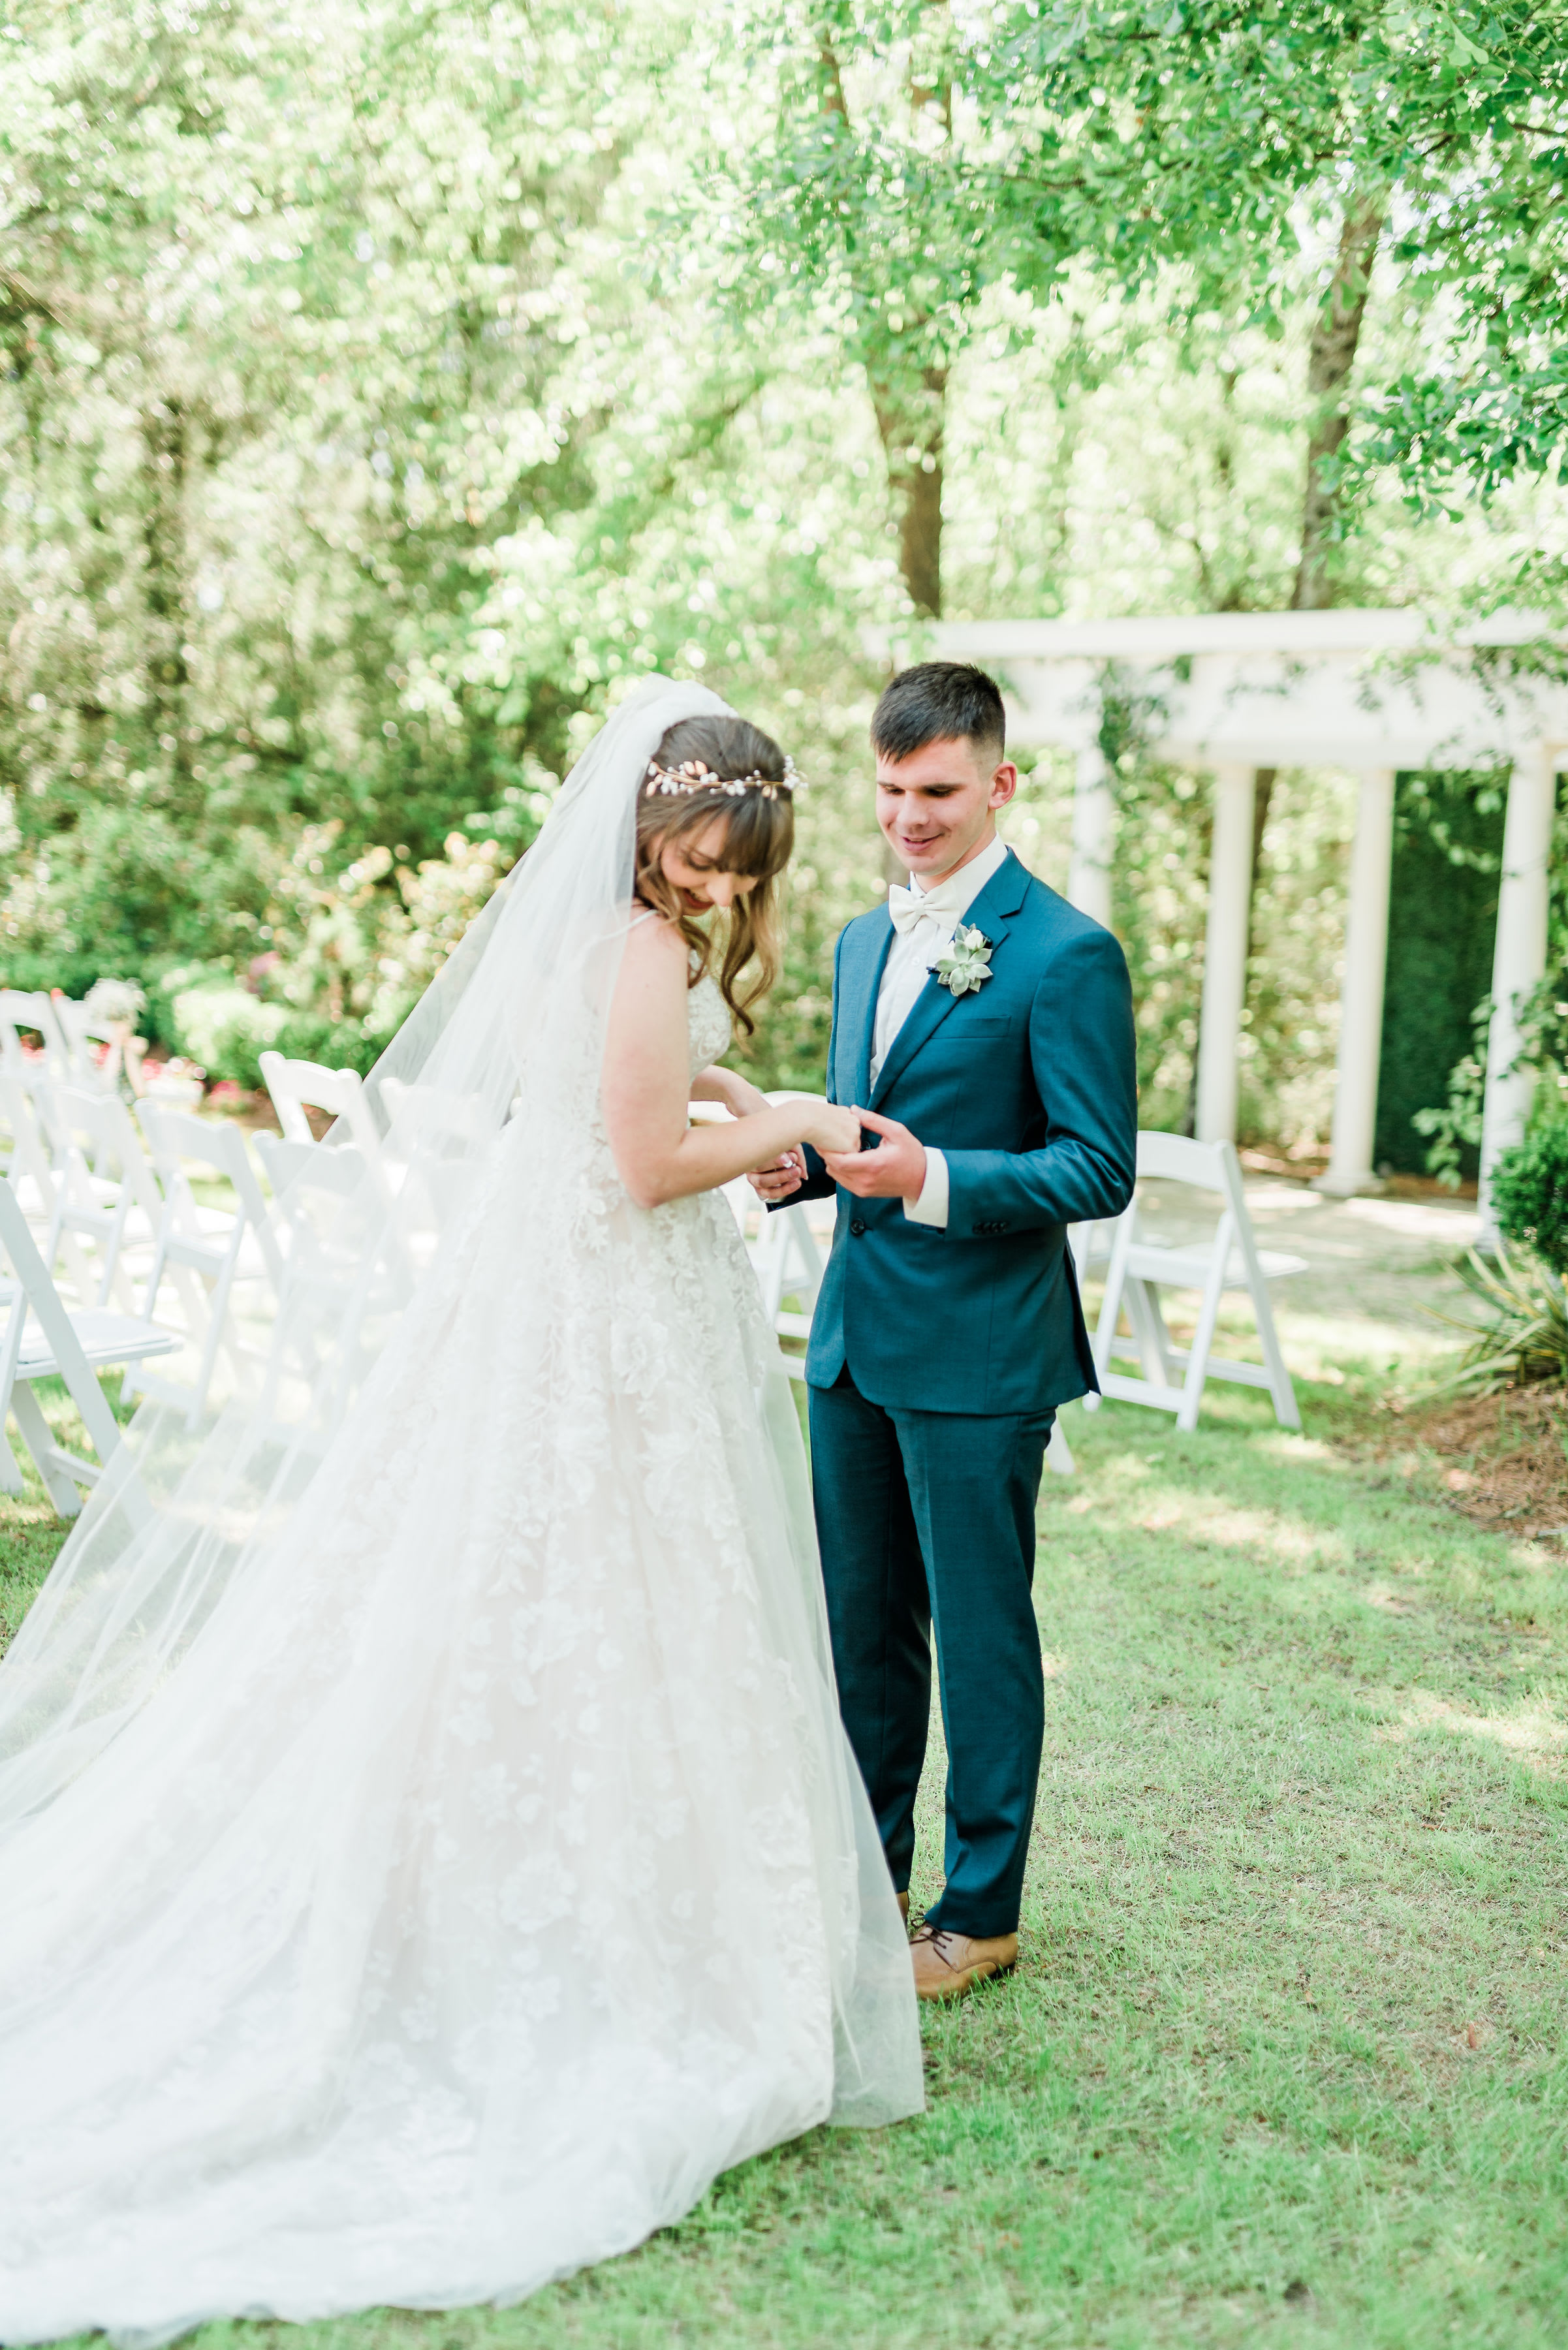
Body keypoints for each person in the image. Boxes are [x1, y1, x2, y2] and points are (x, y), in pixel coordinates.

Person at [0, 678, 921, 2345]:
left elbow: (628, 1102)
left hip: (583, 1294)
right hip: (597, 1301)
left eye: (742, 871)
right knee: (585, 1582)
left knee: (581, 1592)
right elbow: (637, 1164)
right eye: (705, 858)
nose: (720, 889)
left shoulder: (624, 942)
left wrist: (731, 1103)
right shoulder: (633, 949)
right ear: (654, 822)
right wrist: (784, 1120)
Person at [754, 662, 1137, 2000]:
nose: (909, 818)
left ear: (999, 784)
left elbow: (1097, 1166)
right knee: (862, 1629)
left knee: (977, 1636)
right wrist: (804, 1168)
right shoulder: (863, 941)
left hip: (981, 1352)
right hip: (854, 1339)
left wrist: (931, 1179)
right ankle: (868, 1891)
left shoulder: (1065, 953)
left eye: (937, 792)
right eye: (889, 791)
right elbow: (868, 1125)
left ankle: (978, 1917)